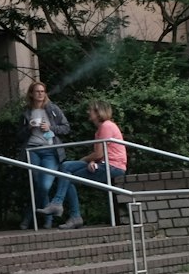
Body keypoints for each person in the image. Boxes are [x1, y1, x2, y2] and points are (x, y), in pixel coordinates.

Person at [53, 100, 128, 230]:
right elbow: (101, 154)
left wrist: (85, 159)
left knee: (67, 174)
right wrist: (92, 161)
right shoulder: (101, 129)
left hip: (113, 167)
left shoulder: (106, 126)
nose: (88, 112)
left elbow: (99, 154)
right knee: (66, 170)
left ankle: (65, 208)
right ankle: (62, 206)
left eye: (91, 110)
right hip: (106, 164)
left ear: (99, 113)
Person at [20, 81, 72, 229]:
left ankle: (29, 215)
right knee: (37, 185)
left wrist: (51, 127)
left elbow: (66, 128)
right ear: (31, 94)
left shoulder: (53, 109)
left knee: (44, 186)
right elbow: (19, 135)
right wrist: (29, 128)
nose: (40, 94)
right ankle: (47, 220)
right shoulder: (26, 112)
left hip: (50, 151)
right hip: (32, 150)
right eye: (37, 91)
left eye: (42, 91)